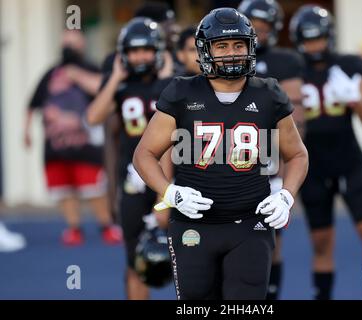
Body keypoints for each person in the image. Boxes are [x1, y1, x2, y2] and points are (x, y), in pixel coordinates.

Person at [133, 7, 308, 300]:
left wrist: (286, 195)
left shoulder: (268, 93)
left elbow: (297, 155)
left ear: (250, 47)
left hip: (250, 223)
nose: (231, 53)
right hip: (193, 223)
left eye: (238, 45)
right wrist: (170, 192)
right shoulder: (181, 93)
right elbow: (144, 154)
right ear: (206, 50)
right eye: (222, 45)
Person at [290, 5, 362, 300]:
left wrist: (355, 98)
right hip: (313, 166)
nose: (314, 45)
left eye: (318, 38)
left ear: (328, 37)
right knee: (321, 242)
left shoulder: (348, 66)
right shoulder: (292, 71)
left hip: (348, 161)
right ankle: (323, 296)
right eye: (308, 40)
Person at [87, 18, 171, 300]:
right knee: (135, 259)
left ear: (158, 50)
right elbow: (93, 117)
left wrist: (166, 194)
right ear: (124, 54)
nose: (140, 56)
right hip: (133, 181)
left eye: (146, 49)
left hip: (171, 179)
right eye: (134, 51)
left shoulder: (172, 85)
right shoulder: (121, 89)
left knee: (187, 259)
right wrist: (114, 78)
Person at [24, 29, 122, 246]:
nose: (68, 48)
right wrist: (26, 132)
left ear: (82, 45)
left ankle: (106, 225)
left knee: (94, 188)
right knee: (63, 189)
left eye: (73, 43)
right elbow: (33, 104)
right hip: (55, 147)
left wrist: (76, 75)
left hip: (86, 144)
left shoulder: (91, 68)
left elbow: (103, 89)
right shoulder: (50, 73)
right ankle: (74, 228)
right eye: (65, 43)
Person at [237, 0, 304, 300]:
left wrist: (282, 172)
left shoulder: (284, 62)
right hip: (224, 160)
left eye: (263, 28)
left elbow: (294, 121)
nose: (258, 34)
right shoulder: (227, 57)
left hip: (265, 163)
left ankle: (267, 298)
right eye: (254, 27)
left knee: (268, 240)